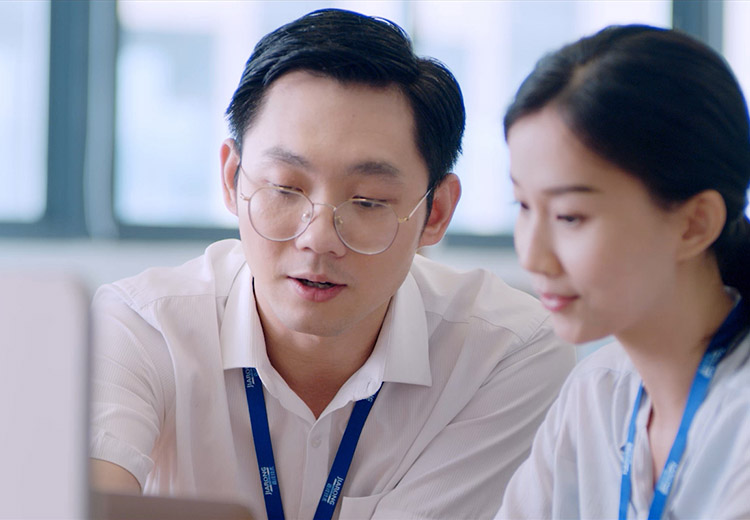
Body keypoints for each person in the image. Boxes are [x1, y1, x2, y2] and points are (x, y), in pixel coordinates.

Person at [89, 9, 575, 520]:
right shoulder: (140, 327)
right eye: (284, 188)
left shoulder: (506, 354)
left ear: (435, 213)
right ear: (232, 179)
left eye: (368, 201)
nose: (318, 238)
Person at [496, 24, 750, 520]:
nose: (533, 258)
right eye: (523, 205)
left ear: (695, 224)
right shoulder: (597, 392)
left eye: (569, 216)